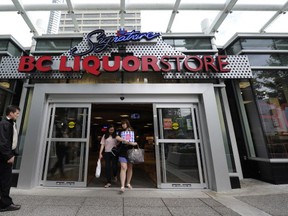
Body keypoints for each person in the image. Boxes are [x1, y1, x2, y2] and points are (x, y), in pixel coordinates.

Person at [0, 105, 21, 212]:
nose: (18, 115)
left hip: (8, 154)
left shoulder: (11, 123)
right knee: (5, 181)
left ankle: (5, 203)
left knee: (5, 180)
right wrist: (9, 156)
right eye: (17, 113)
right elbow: (3, 142)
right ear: (11, 113)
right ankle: (5, 204)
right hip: (4, 157)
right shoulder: (4, 124)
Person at [116, 119, 137, 193]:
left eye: (124, 124)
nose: (123, 125)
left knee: (130, 167)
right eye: (122, 124)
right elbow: (117, 137)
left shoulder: (132, 131)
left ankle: (128, 183)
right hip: (122, 151)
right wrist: (124, 140)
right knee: (123, 167)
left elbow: (133, 141)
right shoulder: (120, 131)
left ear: (127, 124)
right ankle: (122, 186)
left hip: (130, 151)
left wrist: (132, 143)